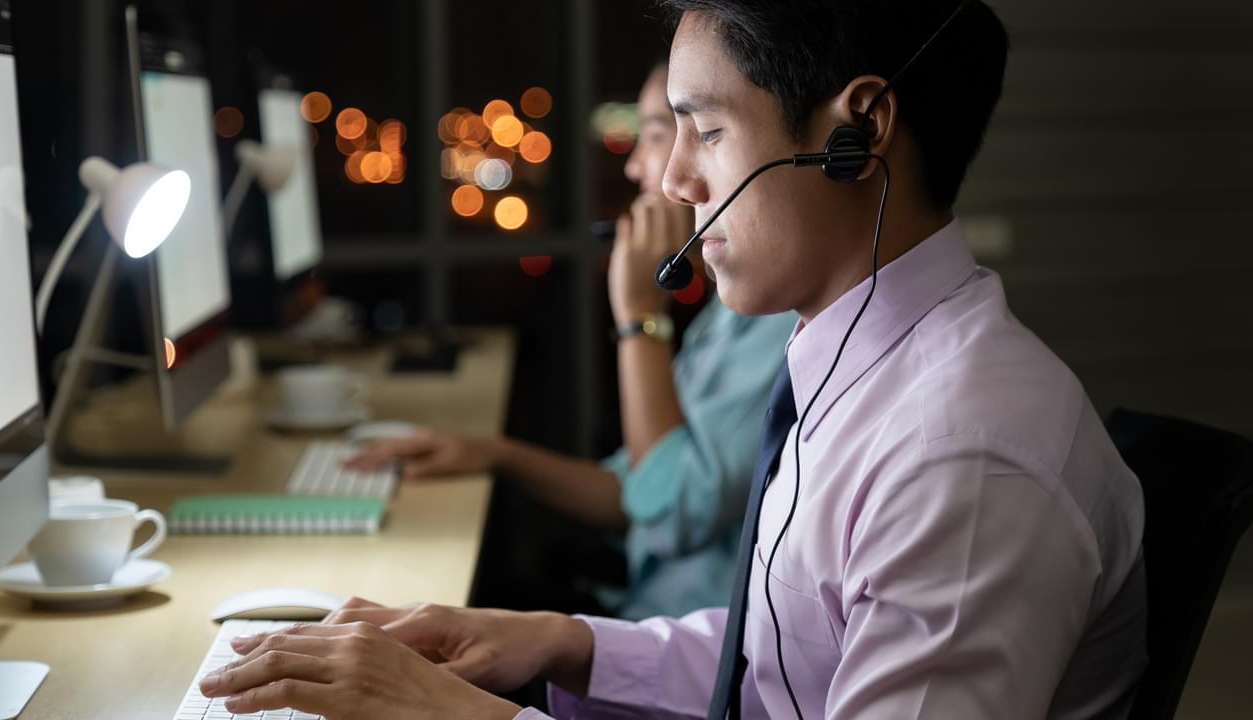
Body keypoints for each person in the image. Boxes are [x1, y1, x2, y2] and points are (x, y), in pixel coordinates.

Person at [198, 2, 1148, 718]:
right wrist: (559, 643)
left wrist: (453, 712)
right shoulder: (855, 359)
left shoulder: (962, 458)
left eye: (710, 131)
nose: (674, 179)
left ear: (856, 135)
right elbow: (785, 665)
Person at [346, 62, 799, 620]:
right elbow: (635, 487)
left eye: (659, 133)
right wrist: (493, 453)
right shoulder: (726, 317)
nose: (636, 166)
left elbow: (669, 510)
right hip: (638, 614)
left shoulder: (778, 324)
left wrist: (638, 320)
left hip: (676, 644)